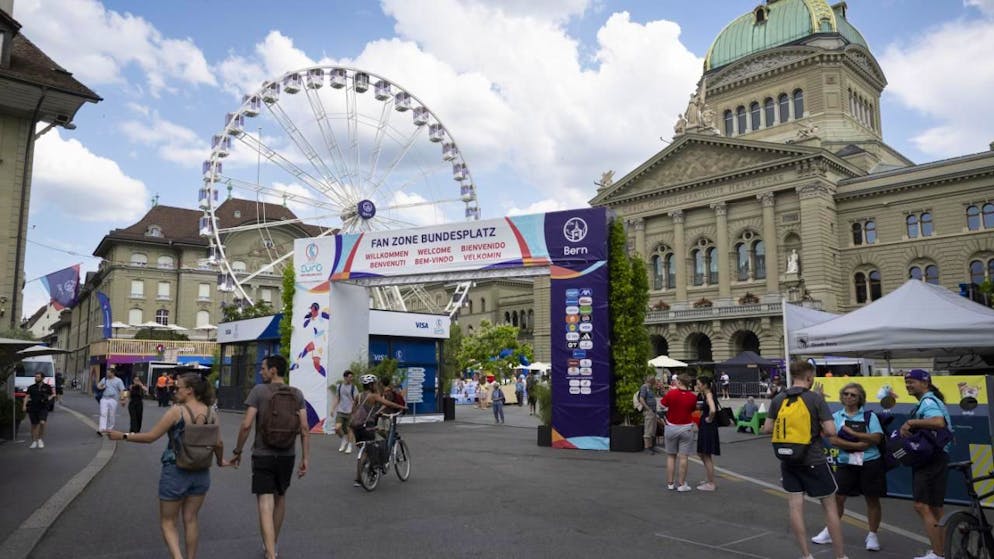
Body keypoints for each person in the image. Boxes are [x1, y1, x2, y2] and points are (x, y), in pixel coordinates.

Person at [107, 373, 228, 559]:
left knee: (168, 521)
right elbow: (218, 443)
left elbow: (150, 437)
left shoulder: (177, 412)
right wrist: (220, 461)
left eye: (178, 388)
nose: (174, 390)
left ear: (190, 390)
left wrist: (122, 436)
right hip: (201, 472)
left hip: (175, 470)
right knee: (191, 519)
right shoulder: (212, 412)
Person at [763, 361, 847, 559]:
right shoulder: (815, 399)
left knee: (795, 507)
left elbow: (767, 428)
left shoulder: (779, 399)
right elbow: (831, 431)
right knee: (829, 507)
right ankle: (840, 556)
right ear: (809, 377)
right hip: (814, 459)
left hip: (788, 459)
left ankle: (806, 554)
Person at [229, 355, 309, 559]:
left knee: (265, 502)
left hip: (263, 453)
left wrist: (237, 451)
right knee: (280, 497)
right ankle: (272, 544)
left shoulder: (258, 391)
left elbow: (246, 425)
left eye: (263, 368)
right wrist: (305, 458)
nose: (260, 371)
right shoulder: (297, 393)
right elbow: (305, 428)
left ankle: (271, 553)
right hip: (287, 454)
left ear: (273, 370)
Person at [812, 382, 886, 552]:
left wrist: (854, 435)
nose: (849, 397)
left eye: (853, 394)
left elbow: (876, 438)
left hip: (870, 461)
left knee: (872, 499)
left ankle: (872, 535)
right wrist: (859, 445)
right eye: (846, 393)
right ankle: (829, 531)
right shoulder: (837, 416)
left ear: (860, 398)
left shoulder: (869, 416)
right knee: (838, 498)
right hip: (846, 462)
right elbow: (833, 440)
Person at [902, 369, 952, 559]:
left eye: (912, 382)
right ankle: (943, 552)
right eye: (907, 382)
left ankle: (938, 554)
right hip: (937, 457)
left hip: (931, 458)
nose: (908, 385)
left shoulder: (928, 401)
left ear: (925, 383)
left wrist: (910, 422)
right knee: (935, 507)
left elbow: (939, 422)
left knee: (922, 506)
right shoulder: (930, 400)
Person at [660, 373, 698, 491]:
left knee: (671, 456)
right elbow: (692, 410)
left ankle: (670, 483)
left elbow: (662, 405)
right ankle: (681, 484)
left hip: (671, 427)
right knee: (683, 457)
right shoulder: (693, 397)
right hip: (686, 427)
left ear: (680, 382)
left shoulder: (671, 394)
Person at [695, 376, 720, 491]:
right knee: (701, 453)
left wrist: (709, 418)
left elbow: (713, 409)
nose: (697, 386)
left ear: (705, 385)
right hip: (706, 426)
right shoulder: (706, 394)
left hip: (708, 426)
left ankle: (711, 483)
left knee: (706, 454)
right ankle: (709, 478)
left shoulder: (708, 394)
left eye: (699, 384)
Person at [329, 370, 359, 454]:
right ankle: (343, 440)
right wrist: (332, 409)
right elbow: (337, 398)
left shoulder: (354, 387)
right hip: (341, 410)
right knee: (337, 428)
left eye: (352, 377)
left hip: (350, 411)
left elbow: (357, 399)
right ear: (345, 377)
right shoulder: (339, 386)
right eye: (350, 377)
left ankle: (349, 445)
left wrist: (356, 411)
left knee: (350, 429)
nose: (351, 378)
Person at [23, 372, 55, 448]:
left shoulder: (47, 387)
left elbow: (52, 395)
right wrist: (24, 405)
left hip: (43, 408)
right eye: (35, 377)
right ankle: (34, 441)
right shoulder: (31, 387)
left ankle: (40, 439)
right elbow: (27, 397)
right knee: (34, 425)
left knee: (42, 423)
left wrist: (48, 399)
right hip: (33, 408)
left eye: (38, 377)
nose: (36, 378)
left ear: (42, 378)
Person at [97, 368, 127, 434]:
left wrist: (123, 399)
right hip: (104, 398)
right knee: (103, 413)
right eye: (107, 373)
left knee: (112, 415)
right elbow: (98, 385)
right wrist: (101, 387)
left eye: (108, 373)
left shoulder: (118, 380)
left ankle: (110, 428)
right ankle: (102, 429)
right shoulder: (104, 379)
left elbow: (123, 390)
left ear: (113, 373)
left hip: (113, 399)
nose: (107, 374)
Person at [637, 373, 660, 454]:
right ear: (651, 380)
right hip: (649, 411)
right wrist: (648, 408)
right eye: (654, 380)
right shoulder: (644, 387)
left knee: (652, 429)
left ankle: (651, 447)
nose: (655, 381)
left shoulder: (650, 388)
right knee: (648, 429)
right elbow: (641, 399)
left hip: (653, 411)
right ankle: (647, 447)